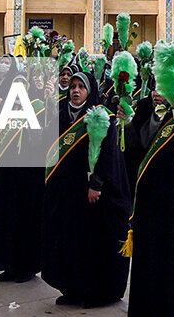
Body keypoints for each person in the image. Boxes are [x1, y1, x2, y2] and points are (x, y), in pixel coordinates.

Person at [41, 71, 132, 308]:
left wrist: (97, 183)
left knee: (93, 245)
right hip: (68, 195)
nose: (76, 91)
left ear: (89, 91)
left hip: (94, 196)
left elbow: (109, 154)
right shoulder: (60, 116)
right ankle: (72, 289)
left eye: (81, 86)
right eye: (73, 86)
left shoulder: (101, 116)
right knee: (70, 243)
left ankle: (97, 293)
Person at [123, 80, 174, 315]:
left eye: (164, 87)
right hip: (148, 200)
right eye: (156, 86)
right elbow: (135, 150)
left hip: (172, 204)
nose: (158, 93)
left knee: (170, 259)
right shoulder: (146, 112)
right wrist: (128, 122)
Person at [0, 70, 47, 283]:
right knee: (4, 222)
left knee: (24, 223)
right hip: (4, 177)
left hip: (27, 178)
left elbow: (41, 141)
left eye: (22, 84)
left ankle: (26, 268)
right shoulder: (2, 109)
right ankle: (8, 265)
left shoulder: (38, 108)